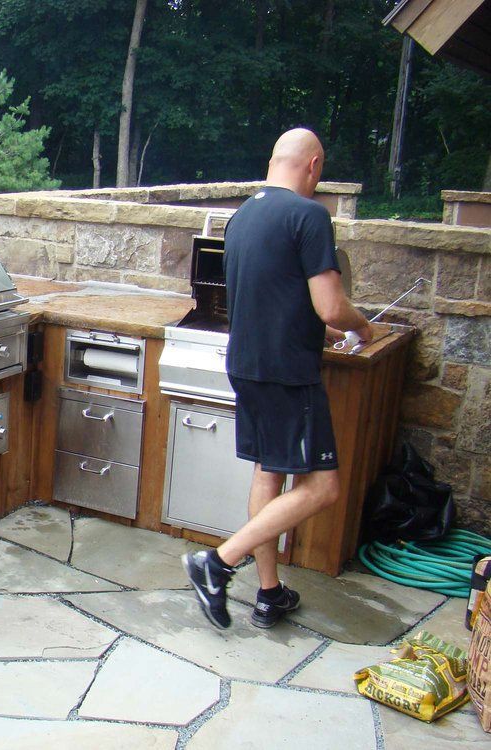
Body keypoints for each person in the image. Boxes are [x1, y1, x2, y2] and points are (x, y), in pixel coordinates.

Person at [182, 128, 374, 630]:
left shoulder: (242, 217)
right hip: (288, 373)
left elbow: (273, 296)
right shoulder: (309, 215)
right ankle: (218, 562)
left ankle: (269, 593)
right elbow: (331, 304)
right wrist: (360, 326)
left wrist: (321, 334)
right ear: (313, 165)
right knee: (324, 487)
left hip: (248, 363)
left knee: (269, 473)